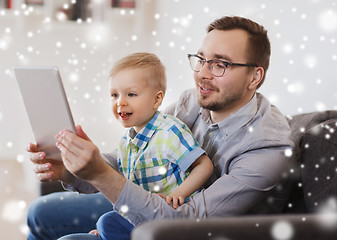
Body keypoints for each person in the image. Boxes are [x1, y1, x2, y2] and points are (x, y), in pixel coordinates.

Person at [27, 16, 294, 240]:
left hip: (183, 226)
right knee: (38, 212)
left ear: (255, 76)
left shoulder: (267, 149)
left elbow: (183, 223)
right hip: (156, 197)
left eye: (219, 65)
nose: (202, 74)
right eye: (201, 60)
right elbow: (138, 154)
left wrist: (99, 175)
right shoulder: (193, 102)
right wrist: (71, 170)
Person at [89, 52, 213, 238]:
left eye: (131, 94)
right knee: (106, 223)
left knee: (106, 222)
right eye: (114, 95)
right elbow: (127, 195)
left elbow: (204, 165)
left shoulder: (170, 131)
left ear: (157, 100)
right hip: (142, 218)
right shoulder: (126, 143)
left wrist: (180, 193)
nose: (120, 102)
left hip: (171, 222)